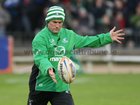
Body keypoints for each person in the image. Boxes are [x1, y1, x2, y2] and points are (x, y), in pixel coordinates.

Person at [27, 6, 125, 105]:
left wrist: (107, 37)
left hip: (61, 86)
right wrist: (48, 68)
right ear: (47, 21)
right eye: (54, 22)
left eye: (60, 22)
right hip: (40, 85)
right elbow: (40, 58)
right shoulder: (40, 38)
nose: (57, 25)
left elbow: (87, 41)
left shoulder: (69, 35)